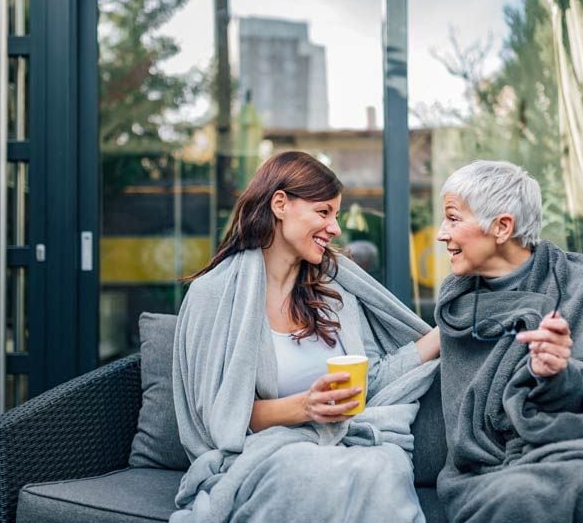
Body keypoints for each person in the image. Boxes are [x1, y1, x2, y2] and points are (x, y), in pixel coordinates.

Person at [169, 151, 440, 523]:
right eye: (324, 212)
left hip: (344, 441)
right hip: (269, 452)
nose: (336, 229)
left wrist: (444, 334)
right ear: (280, 204)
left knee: (384, 464)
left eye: (337, 215)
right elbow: (219, 419)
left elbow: (372, 381)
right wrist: (307, 408)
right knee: (307, 472)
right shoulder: (213, 295)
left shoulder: (335, 295)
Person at [433, 160, 583, 521]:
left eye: (453, 219)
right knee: (519, 494)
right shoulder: (458, 305)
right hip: (488, 470)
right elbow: (468, 434)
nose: (441, 234)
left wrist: (560, 376)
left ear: (502, 227)